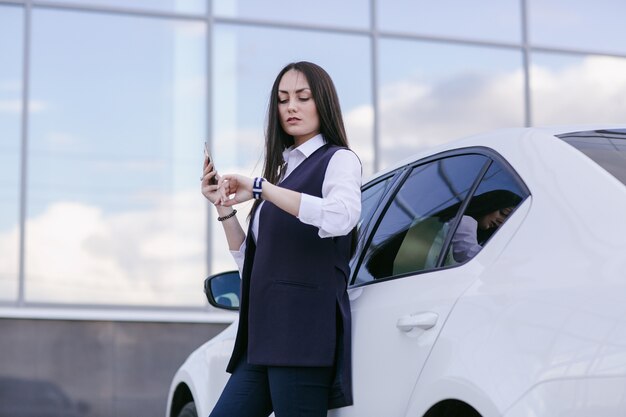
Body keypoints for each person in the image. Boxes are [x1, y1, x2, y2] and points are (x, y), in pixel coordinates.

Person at [200, 61, 361, 417]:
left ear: (323, 104)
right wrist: (224, 208)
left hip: (302, 335)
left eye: (303, 97)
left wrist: (261, 189)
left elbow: (342, 216)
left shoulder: (338, 160)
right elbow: (253, 263)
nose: (291, 107)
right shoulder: (283, 175)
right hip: (261, 339)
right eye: (283, 99)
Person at [451, 190, 522, 263]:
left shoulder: (478, 236)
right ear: (490, 204)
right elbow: (469, 254)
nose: (502, 221)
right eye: (503, 213)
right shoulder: (464, 220)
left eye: (507, 221)